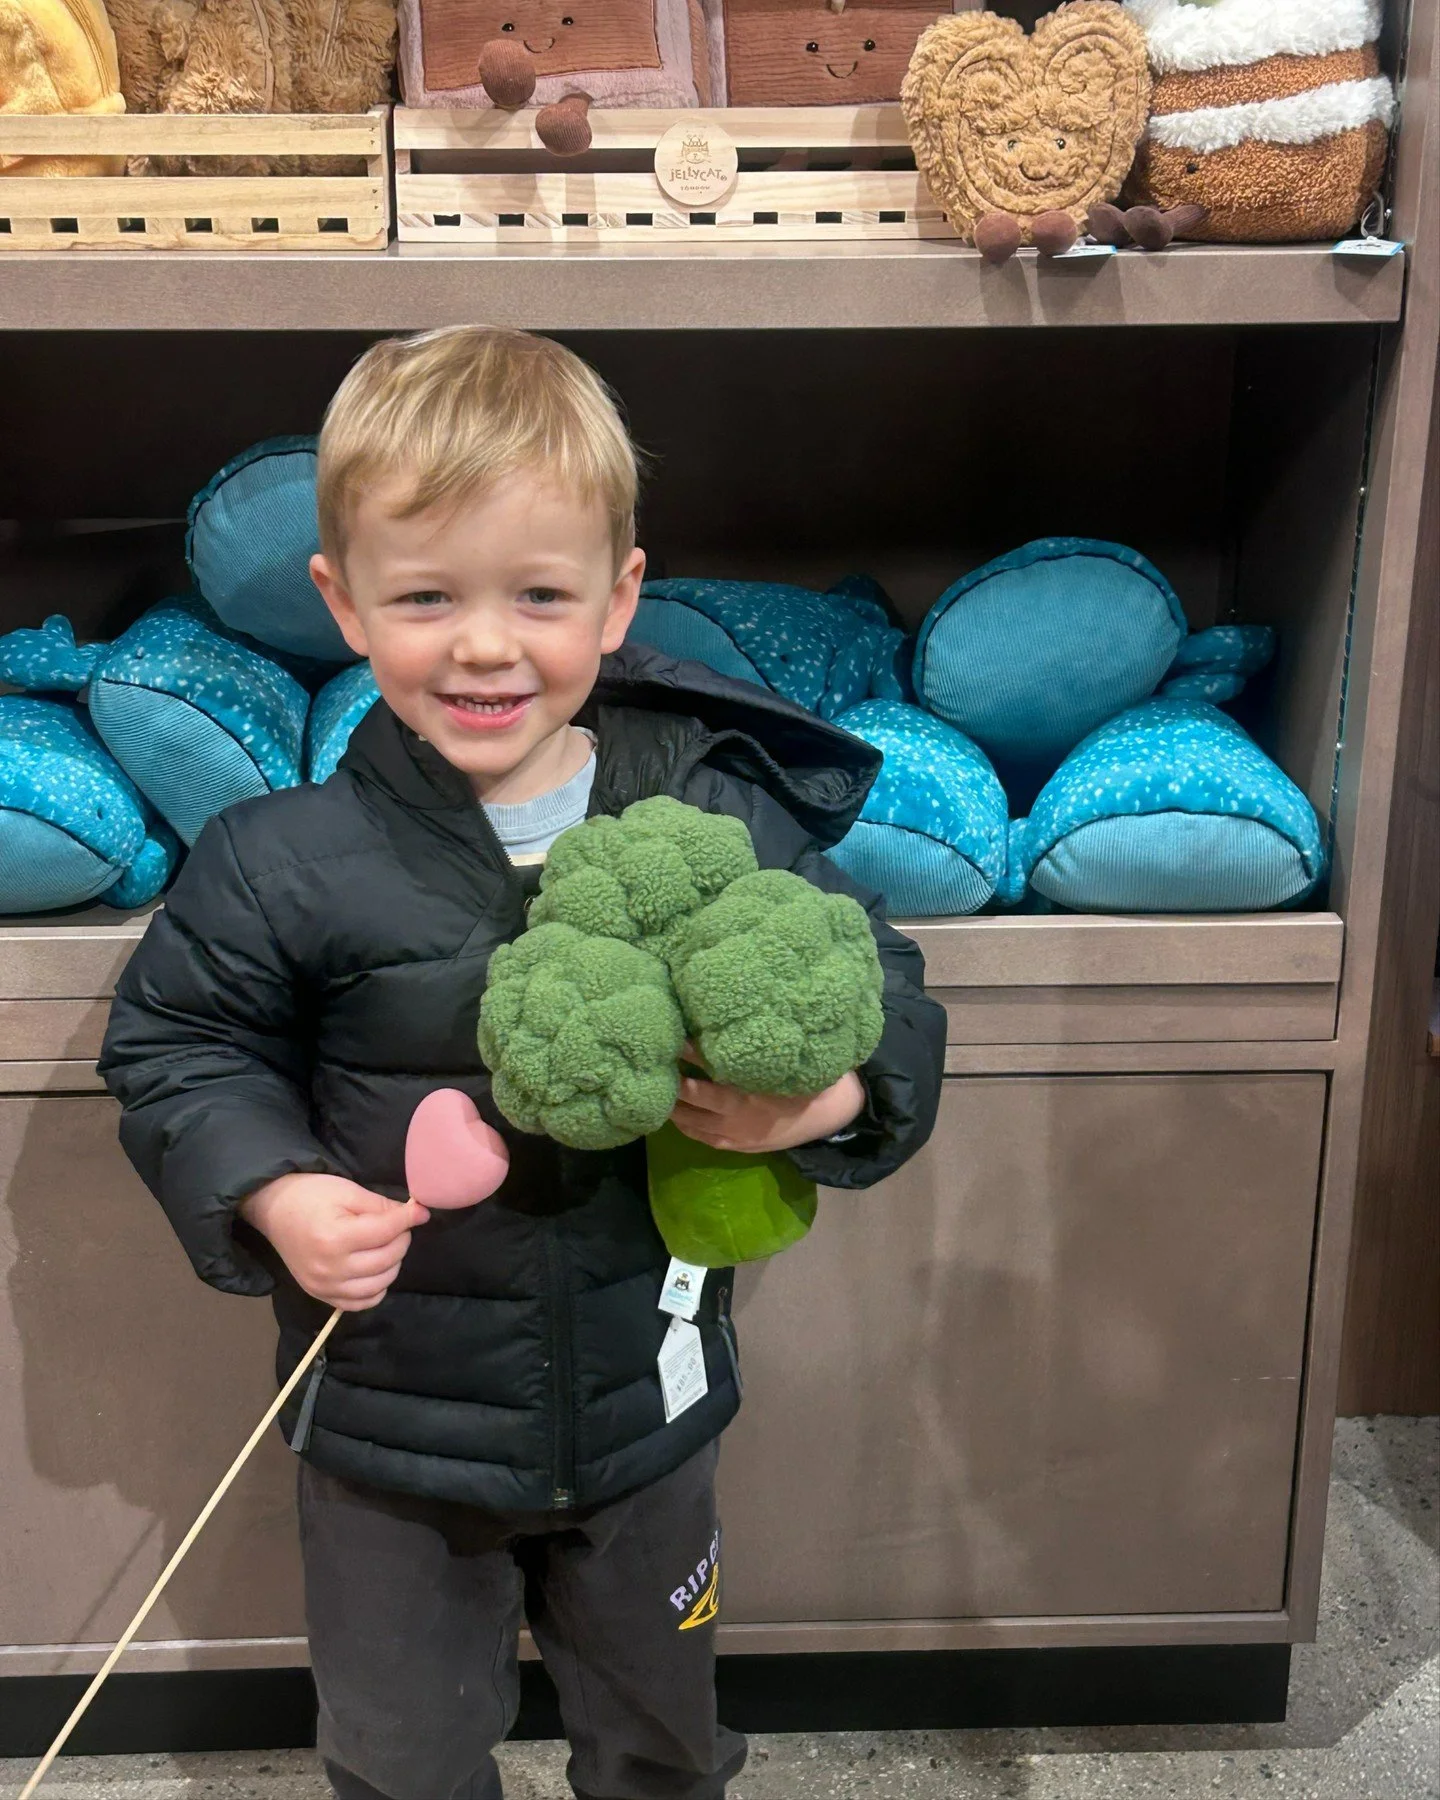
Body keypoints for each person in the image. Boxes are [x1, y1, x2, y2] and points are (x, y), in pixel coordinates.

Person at [98, 326, 946, 1800]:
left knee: (665, 1736)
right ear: (343, 603)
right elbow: (180, 1047)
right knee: (402, 1753)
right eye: (427, 596)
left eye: (539, 596)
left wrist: (836, 1099)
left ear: (618, 599)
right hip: (390, 1433)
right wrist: (272, 1193)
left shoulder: (710, 817)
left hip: (647, 1409)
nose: (485, 646)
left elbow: (872, 976)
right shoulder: (278, 861)